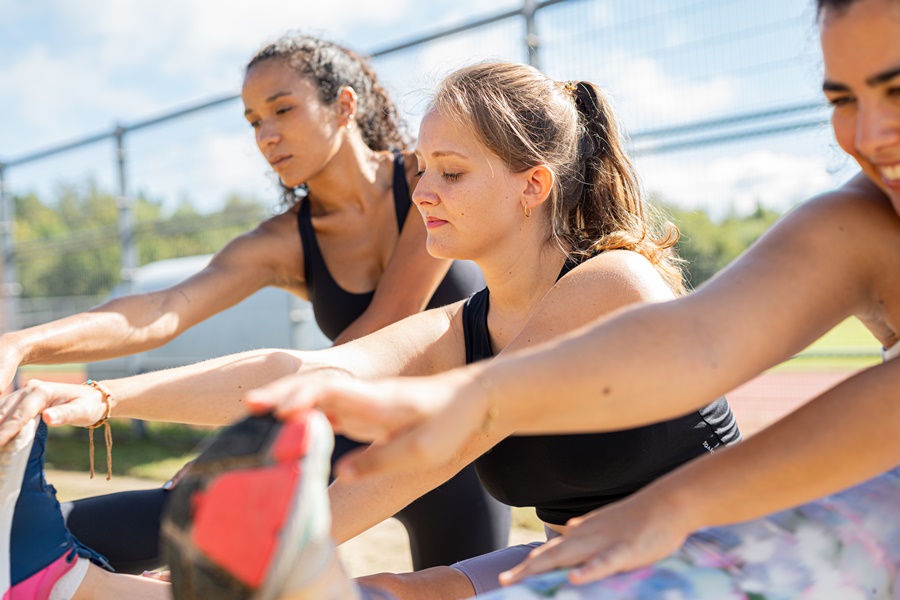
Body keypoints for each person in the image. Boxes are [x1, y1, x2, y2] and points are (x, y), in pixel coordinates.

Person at [0, 61, 740, 599]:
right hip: (581, 561)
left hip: (714, 561)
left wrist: (242, 570)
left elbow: (445, 443)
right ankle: (65, 584)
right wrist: (101, 400)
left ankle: (68, 585)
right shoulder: (467, 324)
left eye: (451, 173)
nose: (422, 192)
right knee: (377, 590)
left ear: (532, 186)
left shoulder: (608, 285)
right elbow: (306, 371)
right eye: (422, 169)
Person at [243, 0, 900, 597]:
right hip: (608, 547)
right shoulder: (852, 221)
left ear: (532, 186)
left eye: (895, 89)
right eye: (843, 99)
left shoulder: (609, 279)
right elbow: (703, 340)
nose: (870, 134)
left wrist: (672, 505)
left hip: (702, 550)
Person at [0, 31, 508, 582]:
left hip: (462, 446)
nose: (266, 136)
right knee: (178, 508)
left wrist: (249, 441)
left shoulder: (431, 181)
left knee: (455, 589)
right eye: (253, 121)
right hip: (351, 433)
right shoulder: (283, 241)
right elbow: (165, 306)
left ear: (343, 106)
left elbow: (386, 326)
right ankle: (18, 548)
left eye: (282, 110)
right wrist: (21, 342)